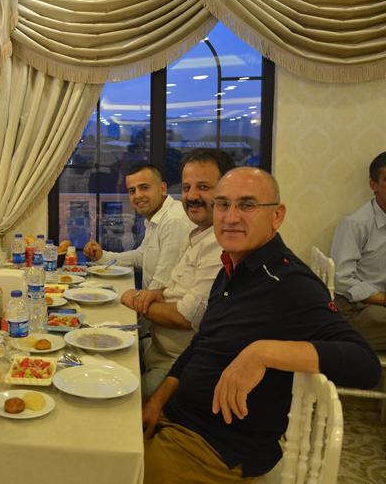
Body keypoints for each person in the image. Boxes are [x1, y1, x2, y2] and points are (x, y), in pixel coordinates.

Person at [142, 167, 381, 483]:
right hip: (176, 419)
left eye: (247, 205)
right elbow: (202, 343)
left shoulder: (290, 283)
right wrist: (158, 400)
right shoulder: (231, 268)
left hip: (213, 450)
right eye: (223, 204)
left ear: (277, 216)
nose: (231, 217)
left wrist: (263, 352)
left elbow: (365, 365)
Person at [120, 149, 234, 396]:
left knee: (117, 401)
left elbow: (186, 318)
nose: (192, 196)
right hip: (156, 349)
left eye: (203, 187)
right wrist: (158, 293)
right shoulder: (199, 232)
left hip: (177, 366)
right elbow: (175, 286)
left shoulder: (220, 245)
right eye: (186, 188)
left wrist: (134, 300)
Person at [84, 163, 193, 290]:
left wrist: (137, 298)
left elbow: (163, 283)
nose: (138, 195)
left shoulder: (174, 220)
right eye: (132, 191)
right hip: (153, 296)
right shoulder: (155, 217)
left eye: (144, 187)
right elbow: (140, 257)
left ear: (163, 188)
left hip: (164, 300)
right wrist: (102, 256)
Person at [330, 151, 386, 351]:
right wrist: (383, 299)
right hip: (357, 307)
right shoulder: (356, 223)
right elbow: (341, 279)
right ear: (373, 185)